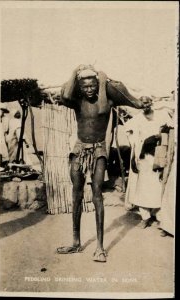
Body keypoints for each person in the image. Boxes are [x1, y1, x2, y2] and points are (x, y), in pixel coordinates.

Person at [47, 64, 151, 262]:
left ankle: (100, 248)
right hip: (79, 148)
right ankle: (76, 242)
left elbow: (114, 107)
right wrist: (74, 72)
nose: (89, 90)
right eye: (85, 87)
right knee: (76, 194)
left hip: (99, 149)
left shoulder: (108, 99)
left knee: (97, 194)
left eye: (93, 86)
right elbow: (65, 96)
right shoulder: (77, 101)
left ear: (98, 85)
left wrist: (103, 80)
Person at [124, 97, 173, 229]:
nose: (144, 105)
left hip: (158, 154)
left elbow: (169, 128)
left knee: (158, 184)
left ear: (151, 103)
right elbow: (129, 132)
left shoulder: (161, 115)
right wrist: (136, 152)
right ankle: (145, 217)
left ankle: (158, 216)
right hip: (143, 155)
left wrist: (159, 135)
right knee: (143, 186)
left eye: (146, 102)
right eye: (141, 103)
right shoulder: (138, 118)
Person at [0, 103, 10, 168]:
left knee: (4, 148)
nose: (1, 112)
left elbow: (6, 128)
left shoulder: (6, 118)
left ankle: (4, 163)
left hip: (3, 134)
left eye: (3, 110)